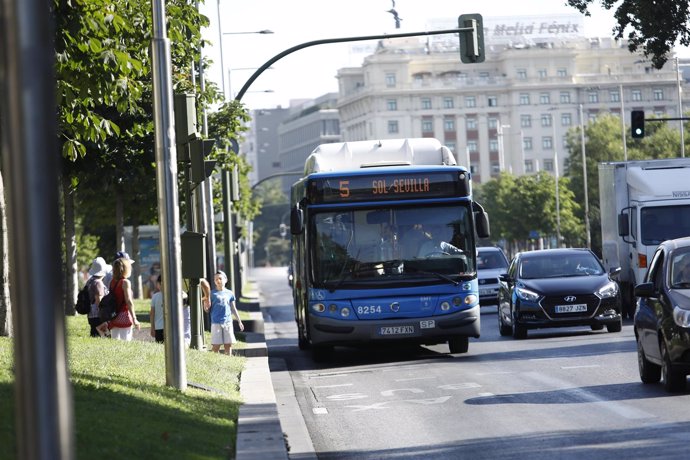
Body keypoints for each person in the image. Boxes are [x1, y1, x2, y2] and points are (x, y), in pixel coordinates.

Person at [97, 257, 141, 340]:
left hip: (114, 317)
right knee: (126, 343)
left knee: (115, 343)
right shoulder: (125, 282)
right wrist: (135, 319)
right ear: (126, 269)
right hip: (124, 316)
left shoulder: (112, 282)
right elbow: (128, 301)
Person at [203, 270, 243, 355]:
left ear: (225, 280)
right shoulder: (211, 293)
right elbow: (207, 309)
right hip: (216, 322)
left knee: (228, 345)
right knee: (216, 346)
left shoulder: (230, 293)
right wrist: (206, 307)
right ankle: (214, 361)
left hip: (227, 322)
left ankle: (228, 360)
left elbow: (233, 308)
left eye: (220, 278)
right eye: (216, 279)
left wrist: (239, 321)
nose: (218, 281)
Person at [86, 257, 110, 337]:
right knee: (104, 337)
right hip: (99, 316)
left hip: (91, 315)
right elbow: (99, 300)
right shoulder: (98, 283)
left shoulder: (90, 281)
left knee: (94, 334)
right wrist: (105, 316)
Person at [149, 275, 164, 343]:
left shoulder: (155, 296)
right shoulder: (173, 296)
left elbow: (152, 313)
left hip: (158, 327)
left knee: (160, 347)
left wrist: (152, 327)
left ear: (158, 284)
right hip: (171, 328)